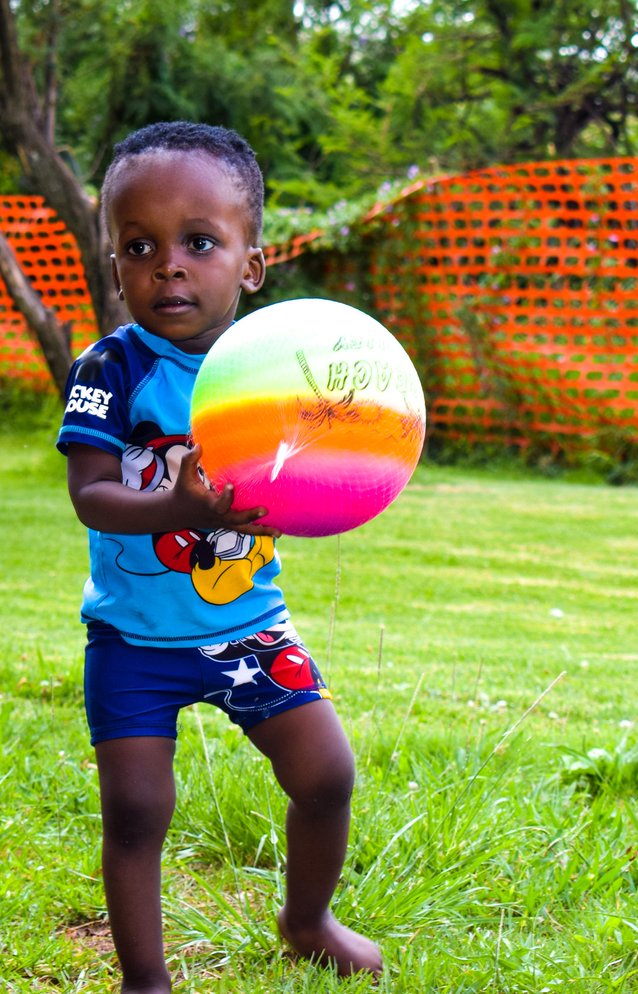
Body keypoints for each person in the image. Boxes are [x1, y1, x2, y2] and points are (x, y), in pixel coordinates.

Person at [56, 121, 382, 992]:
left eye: (199, 243)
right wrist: (177, 506)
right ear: (116, 266)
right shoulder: (109, 369)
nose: (168, 266)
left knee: (327, 774)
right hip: (133, 642)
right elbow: (91, 494)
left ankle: (307, 922)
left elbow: (322, 459)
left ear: (251, 265)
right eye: (140, 246)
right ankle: (145, 980)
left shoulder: (280, 372)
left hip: (249, 627)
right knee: (136, 810)